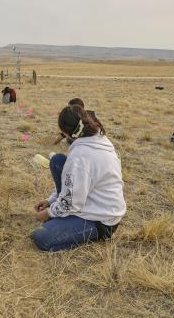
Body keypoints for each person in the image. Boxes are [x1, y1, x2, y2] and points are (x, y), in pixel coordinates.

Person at [32, 105, 126, 251]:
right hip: (93, 201)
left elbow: (72, 203)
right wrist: (51, 201)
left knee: (41, 236)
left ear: (66, 132)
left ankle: (95, 234)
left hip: (102, 220)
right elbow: (71, 183)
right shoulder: (97, 137)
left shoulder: (80, 157)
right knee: (57, 161)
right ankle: (64, 217)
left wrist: (49, 213)